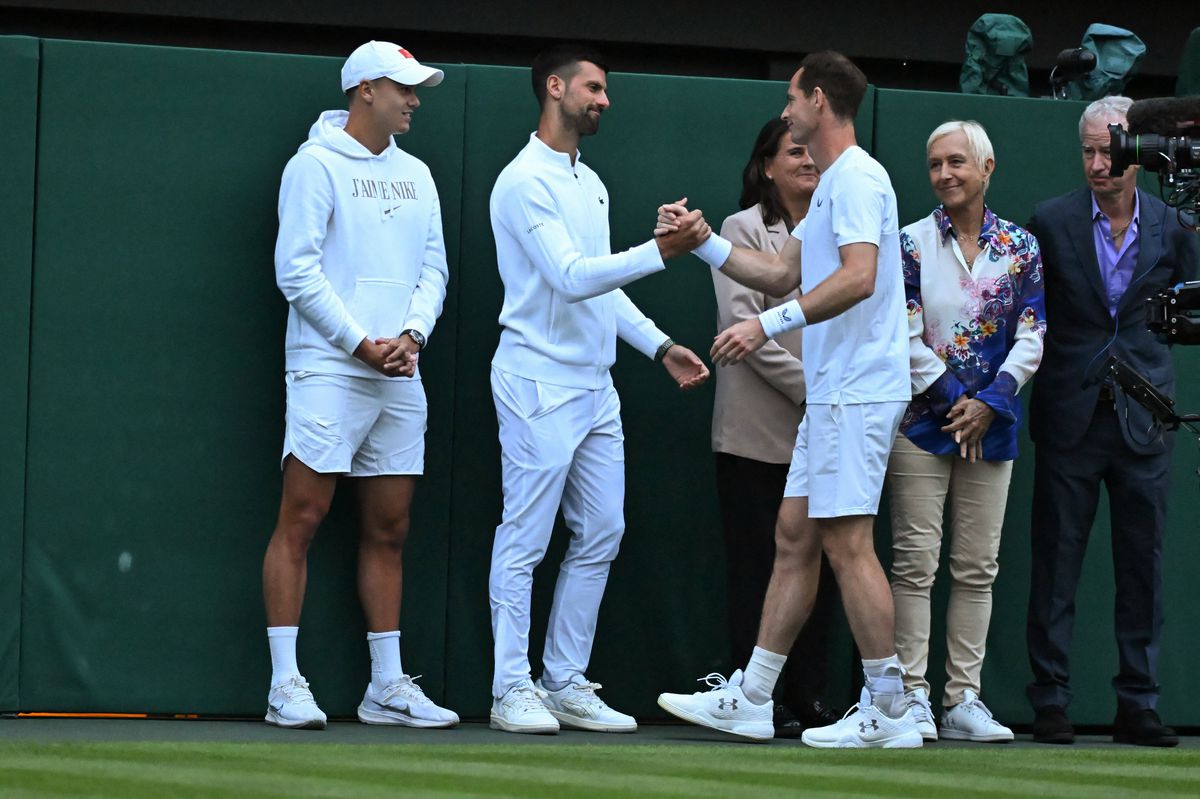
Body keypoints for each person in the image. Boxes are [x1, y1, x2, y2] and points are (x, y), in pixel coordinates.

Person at [656, 51, 921, 748]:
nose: (785, 111)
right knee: (795, 538)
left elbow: (859, 278)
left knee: (847, 543)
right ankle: (751, 695)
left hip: (857, 390)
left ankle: (890, 709)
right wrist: (705, 242)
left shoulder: (859, 178)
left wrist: (766, 323)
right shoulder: (834, 183)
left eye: (792, 98)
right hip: (834, 391)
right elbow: (779, 270)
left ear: (820, 101)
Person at [487, 44, 711, 735]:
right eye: (593, 87)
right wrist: (661, 253)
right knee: (524, 539)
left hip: (594, 387)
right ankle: (509, 688)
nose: (604, 100)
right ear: (554, 88)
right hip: (535, 380)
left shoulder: (592, 182)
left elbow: (599, 291)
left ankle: (564, 681)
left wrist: (661, 345)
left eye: (605, 90)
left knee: (603, 530)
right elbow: (569, 276)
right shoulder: (523, 181)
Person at [261, 40, 458, 730]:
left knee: (391, 527)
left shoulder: (421, 175)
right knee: (303, 517)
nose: (414, 100)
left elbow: (434, 269)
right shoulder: (312, 166)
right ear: (365, 89)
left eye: (417, 89)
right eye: (404, 88)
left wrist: (411, 335)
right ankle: (285, 682)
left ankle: (385, 687)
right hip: (328, 368)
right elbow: (297, 269)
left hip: (399, 370)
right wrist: (358, 343)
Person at [1025, 96, 1196, 747]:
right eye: (1089, 152)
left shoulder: (1175, 226)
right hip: (1071, 413)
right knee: (1055, 563)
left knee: (1142, 565)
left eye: (1111, 151)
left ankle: (1139, 701)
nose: (1099, 164)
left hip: (1146, 420)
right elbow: (1033, 317)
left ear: (1138, 153)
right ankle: (1050, 697)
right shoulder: (1052, 219)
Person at [887, 120, 1045, 743]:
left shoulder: (1023, 247)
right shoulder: (909, 243)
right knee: (915, 563)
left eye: (957, 162)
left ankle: (964, 698)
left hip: (993, 426)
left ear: (987, 168)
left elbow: (1033, 332)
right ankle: (912, 696)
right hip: (923, 423)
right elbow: (901, 330)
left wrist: (991, 402)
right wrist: (957, 400)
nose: (945, 174)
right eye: (934, 165)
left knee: (977, 566)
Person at [712, 117, 842, 737]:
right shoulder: (739, 231)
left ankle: (810, 695)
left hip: (825, 431)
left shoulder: (838, 225)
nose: (806, 161)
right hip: (754, 433)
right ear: (766, 166)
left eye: (811, 150)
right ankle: (750, 694)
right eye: (793, 152)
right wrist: (820, 394)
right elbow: (745, 333)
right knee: (756, 567)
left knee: (823, 565)